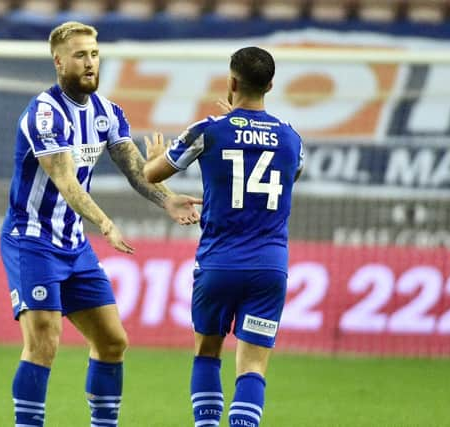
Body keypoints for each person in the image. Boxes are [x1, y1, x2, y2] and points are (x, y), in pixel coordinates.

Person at [0, 21, 201, 427]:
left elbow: (134, 170)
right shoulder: (43, 114)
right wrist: (106, 223)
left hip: (73, 245)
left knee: (112, 341)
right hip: (32, 241)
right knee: (44, 340)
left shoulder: (108, 113)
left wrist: (166, 197)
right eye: (80, 55)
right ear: (59, 61)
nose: (90, 63)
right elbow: (65, 181)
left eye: (94, 54)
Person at [144, 46, 304, 427]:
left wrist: (156, 154)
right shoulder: (290, 138)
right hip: (269, 267)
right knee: (252, 366)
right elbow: (289, 175)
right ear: (271, 85)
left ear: (231, 82)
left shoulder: (208, 130)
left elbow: (152, 174)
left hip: (218, 264)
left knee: (207, 353)